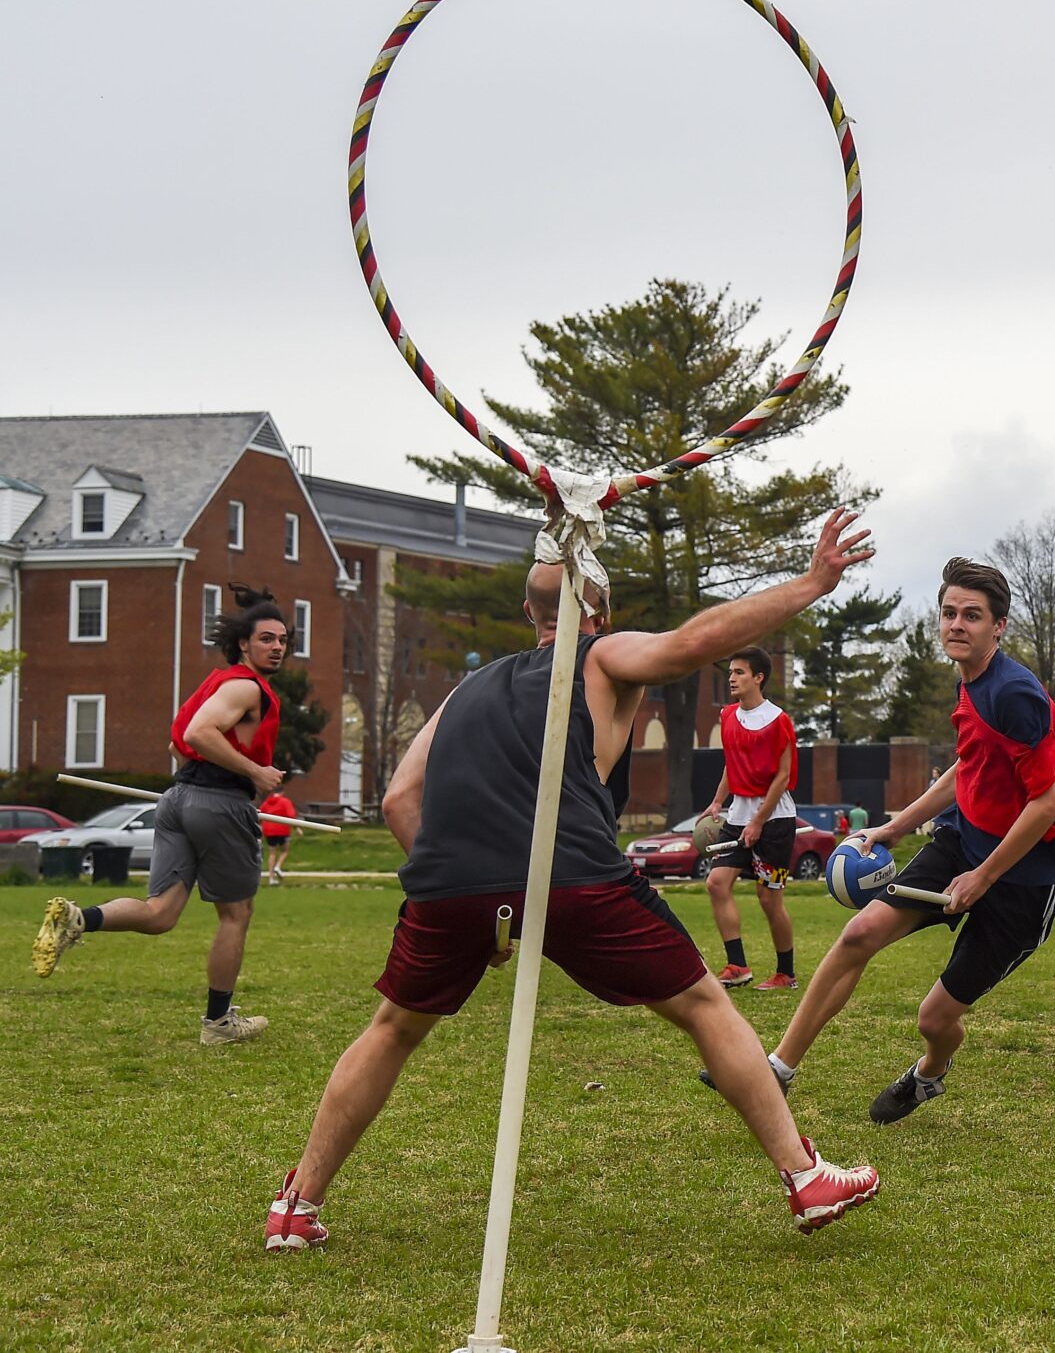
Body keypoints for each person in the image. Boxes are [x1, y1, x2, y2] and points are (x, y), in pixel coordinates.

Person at [258, 511, 879, 1252]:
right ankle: (805, 1175)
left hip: (449, 882)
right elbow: (692, 645)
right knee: (704, 1004)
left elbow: (398, 801)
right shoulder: (598, 654)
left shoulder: (465, 691)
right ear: (599, 612)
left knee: (391, 1028)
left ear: (529, 611)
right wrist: (811, 583)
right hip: (573, 875)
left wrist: (478, 906)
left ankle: (296, 1205)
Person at [760, 557, 1055, 1124]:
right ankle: (777, 1072)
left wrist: (983, 878)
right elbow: (966, 771)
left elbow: (1047, 804)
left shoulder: (1014, 694)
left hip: (1022, 881)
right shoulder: (969, 685)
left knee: (934, 1019)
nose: (957, 624)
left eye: (972, 616)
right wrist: (891, 828)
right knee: (860, 932)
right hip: (962, 843)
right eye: (949, 613)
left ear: (999, 626)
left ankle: (929, 1074)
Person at [34, 584, 292, 1045]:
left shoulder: (215, 684)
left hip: (177, 799)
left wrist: (208, 778)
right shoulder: (245, 687)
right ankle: (218, 1024)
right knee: (236, 914)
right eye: (267, 639)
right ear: (243, 645)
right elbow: (199, 731)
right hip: (218, 805)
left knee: (160, 914)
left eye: (282, 639)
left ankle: (78, 919)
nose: (277, 647)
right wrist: (255, 772)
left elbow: (179, 744)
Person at [702, 649, 801, 992]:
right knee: (716, 883)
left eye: (740, 672)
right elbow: (733, 763)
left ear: (758, 678)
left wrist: (758, 821)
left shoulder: (779, 720)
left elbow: (783, 777)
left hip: (774, 822)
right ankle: (737, 966)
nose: (732, 678)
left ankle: (785, 974)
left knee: (769, 898)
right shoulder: (728, 716)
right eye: (731, 671)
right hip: (737, 817)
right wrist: (717, 801)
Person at [260, 786, 297, 887]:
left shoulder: (267, 802)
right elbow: (291, 815)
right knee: (284, 850)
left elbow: (260, 814)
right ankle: (278, 866)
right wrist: (297, 827)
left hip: (269, 831)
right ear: (282, 792)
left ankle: (271, 878)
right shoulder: (285, 802)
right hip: (282, 830)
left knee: (272, 853)